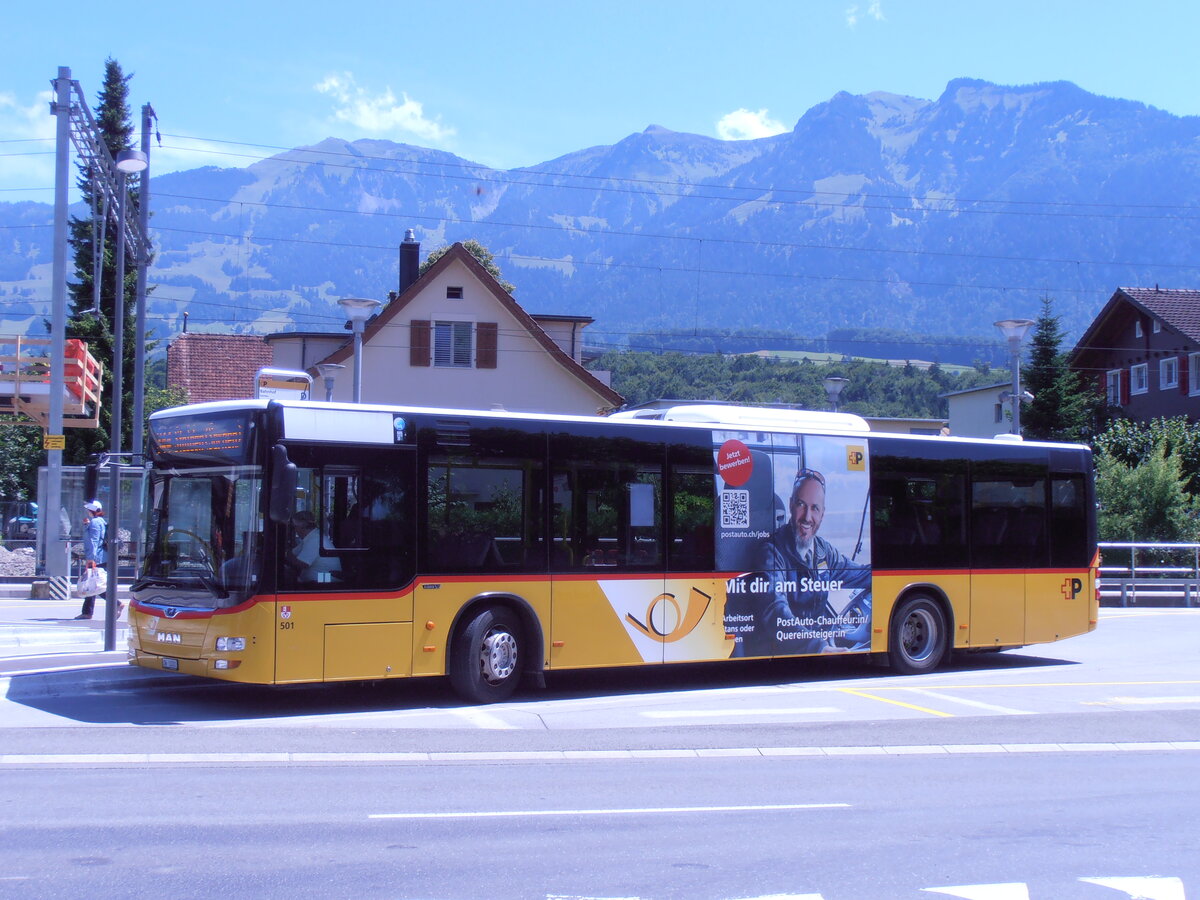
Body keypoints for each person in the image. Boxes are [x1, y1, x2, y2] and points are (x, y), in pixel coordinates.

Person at [742, 469, 871, 656]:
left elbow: (861, 575)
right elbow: (775, 610)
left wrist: (893, 571)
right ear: (791, 505)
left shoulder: (824, 551)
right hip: (785, 654)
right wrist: (819, 647)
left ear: (823, 514)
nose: (807, 517)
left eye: (815, 508)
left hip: (818, 647)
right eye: (801, 505)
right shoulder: (771, 552)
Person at [75, 500, 119, 619]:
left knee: (96, 585)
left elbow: (93, 541)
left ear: (91, 510)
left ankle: (116, 604)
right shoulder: (100, 521)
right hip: (102, 556)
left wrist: (91, 559)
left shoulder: (95, 522)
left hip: (97, 557)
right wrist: (86, 526)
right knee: (92, 583)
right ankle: (87, 612)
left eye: (88, 510)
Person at [285, 510, 341, 584]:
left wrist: (288, 556)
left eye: (295, 527)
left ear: (302, 527)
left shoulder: (315, 539)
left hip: (327, 581)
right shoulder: (310, 537)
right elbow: (292, 553)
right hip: (317, 580)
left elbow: (301, 564)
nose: (295, 530)